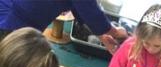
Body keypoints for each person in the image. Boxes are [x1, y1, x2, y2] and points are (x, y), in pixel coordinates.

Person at [0, 0, 128, 50]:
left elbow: (78, 5)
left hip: (18, 18)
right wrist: (114, 32)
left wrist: (101, 34)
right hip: (11, 20)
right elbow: (87, 7)